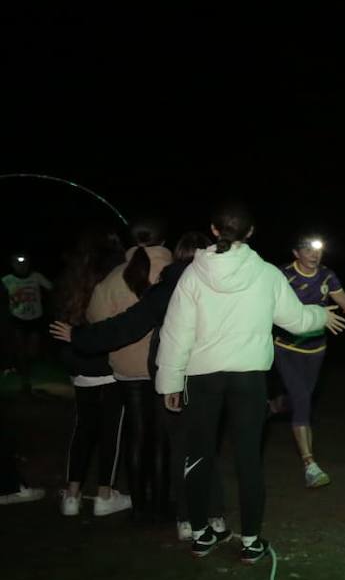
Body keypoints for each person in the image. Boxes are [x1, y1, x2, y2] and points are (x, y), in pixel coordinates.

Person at [157, 203, 345, 563]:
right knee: (248, 458)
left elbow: (176, 332)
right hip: (248, 378)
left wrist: (170, 381)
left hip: (202, 376)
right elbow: (296, 320)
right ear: (251, 231)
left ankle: (200, 534)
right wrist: (321, 314)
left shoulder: (194, 274)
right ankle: (250, 541)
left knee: (198, 454)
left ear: (214, 230)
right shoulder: (265, 274)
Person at [52, 230, 223, 540]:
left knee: (146, 437)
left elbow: (117, 322)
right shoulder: (205, 280)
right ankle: (200, 511)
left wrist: (80, 337)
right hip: (196, 372)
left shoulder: (159, 282)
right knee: (189, 441)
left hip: (149, 370)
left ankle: (154, 509)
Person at [272, 234, 345, 488]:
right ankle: (310, 465)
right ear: (296, 253)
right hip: (286, 348)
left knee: (300, 400)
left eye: (317, 249)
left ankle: (274, 407)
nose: (314, 254)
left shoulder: (327, 275)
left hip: (316, 350)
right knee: (302, 400)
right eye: (307, 249)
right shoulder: (282, 275)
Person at [85, 218, 172, 521]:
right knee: (162, 437)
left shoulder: (113, 278)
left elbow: (96, 319)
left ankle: (139, 507)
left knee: (137, 433)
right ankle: (162, 505)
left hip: (126, 369)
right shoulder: (174, 274)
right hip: (166, 367)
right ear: (163, 239)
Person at [53, 229, 130, 516]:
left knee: (84, 427)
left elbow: (60, 326)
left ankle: (71, 497)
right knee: (111, 429)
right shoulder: (116, 279)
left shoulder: (70, 282)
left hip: (81, 363)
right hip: (108, 364)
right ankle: (104, 496)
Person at [3, 251, 54, 396]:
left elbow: (52, 288)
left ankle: (26, 375)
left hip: (36, 319)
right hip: (17, 320)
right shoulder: (7, 280)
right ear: (12, 264)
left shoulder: (36, 277)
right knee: (21, 351)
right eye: (18, 263)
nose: (21, 266)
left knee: (33, 351)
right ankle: (25, 383)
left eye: (24, 263)